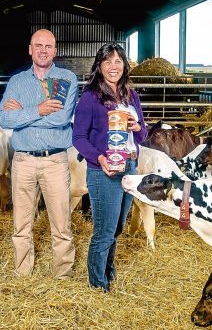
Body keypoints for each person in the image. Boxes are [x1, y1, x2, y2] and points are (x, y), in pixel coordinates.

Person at [0, 29, 78, 279]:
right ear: (30, 49)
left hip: (55, 160)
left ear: (55, 50)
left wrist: (25, 113)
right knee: (21, 224)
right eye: (38, 45)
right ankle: (23, 274)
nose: (43, 50)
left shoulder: (66, 79)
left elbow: (62, 118)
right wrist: (41, 109)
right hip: (23, 161)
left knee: (61, 224)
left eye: (48, 46)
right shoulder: (17, 81)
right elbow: (4, 118)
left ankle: (62, 275)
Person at [72, 42, 147, 292]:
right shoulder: (91, 98)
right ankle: (97, 284)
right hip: (103, 170)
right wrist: (100, 158)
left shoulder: (131, 95)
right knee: (104, 230)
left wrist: (137, 128)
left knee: (117, 227)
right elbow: (78, 138)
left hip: (129, 167)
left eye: (117, 61)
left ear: (125, 65)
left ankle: (108, 271)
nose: (113, 66)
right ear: (99, 66)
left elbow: (143, 133)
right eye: (107, 62)